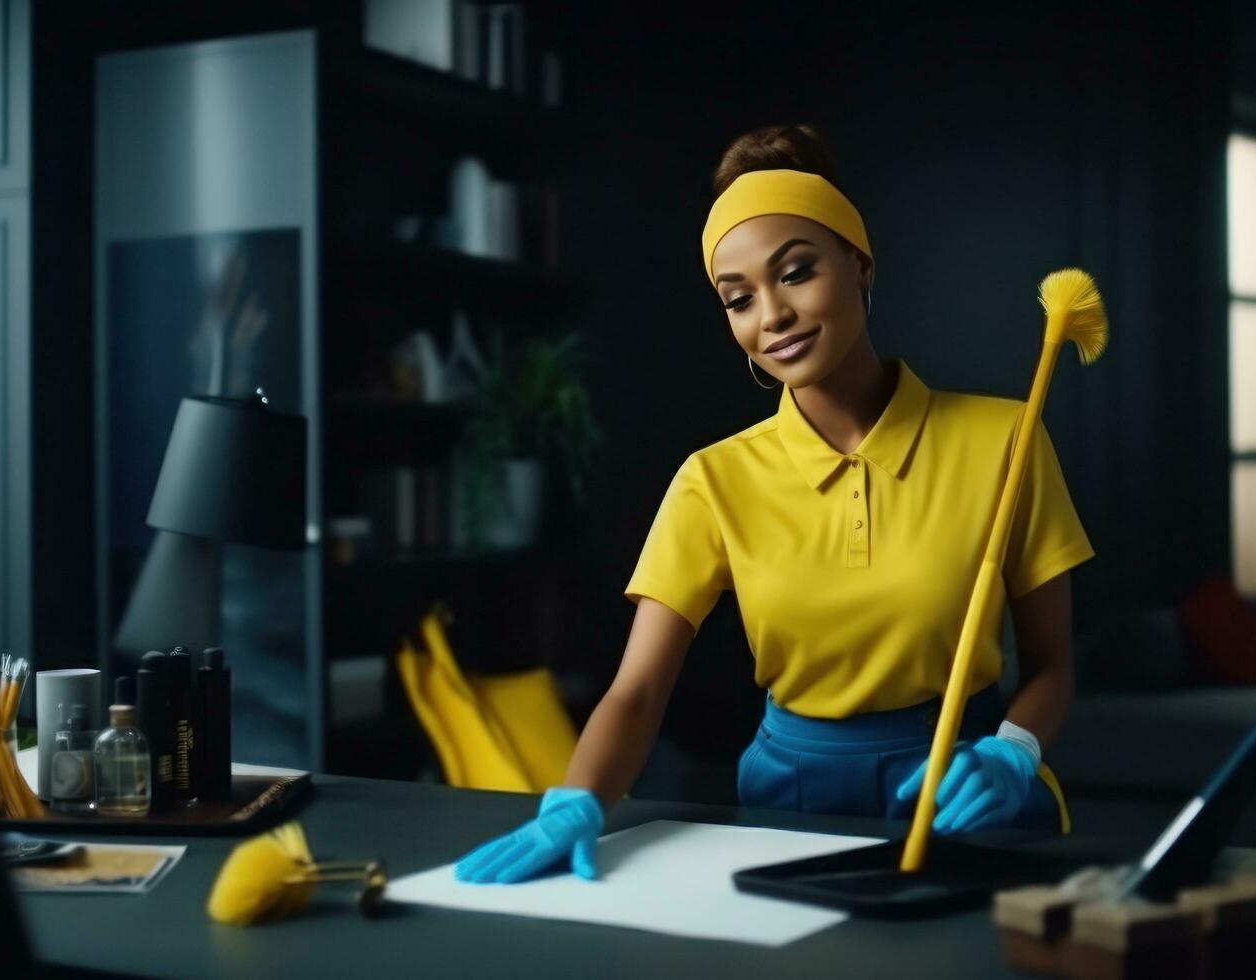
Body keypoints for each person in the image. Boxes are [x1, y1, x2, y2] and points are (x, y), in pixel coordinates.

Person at [454, 123, 1094, 885]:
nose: (772, 316)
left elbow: (1053, 664)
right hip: (787, 811)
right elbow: (637, 689)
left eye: (795, 272)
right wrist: (577, 800)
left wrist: (1011, 754)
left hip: (963, 800)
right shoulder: (713, 481)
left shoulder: (1006, 440)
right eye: (738, 299)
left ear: (859, 265)